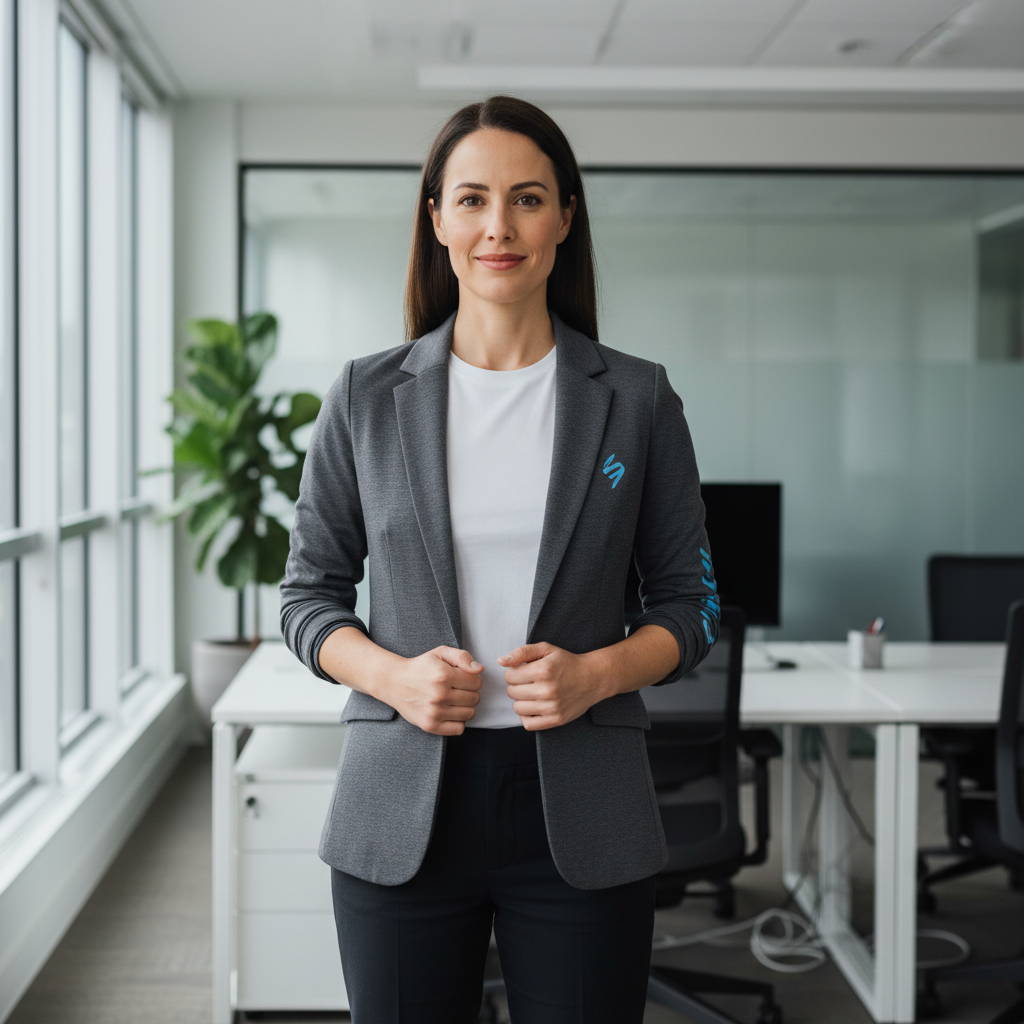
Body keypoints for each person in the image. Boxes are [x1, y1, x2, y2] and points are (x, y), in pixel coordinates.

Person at [280, 95, 719, 1024]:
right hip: (404, 799)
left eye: (527, 199)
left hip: (582, 807)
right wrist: (394, 676)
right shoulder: (365, 396)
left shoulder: (636, 399)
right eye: (473, 199)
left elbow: (693, 605)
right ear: (437, 219)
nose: (499, 227)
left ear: (565, 216)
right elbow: (307, 597)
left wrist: (598, 673)